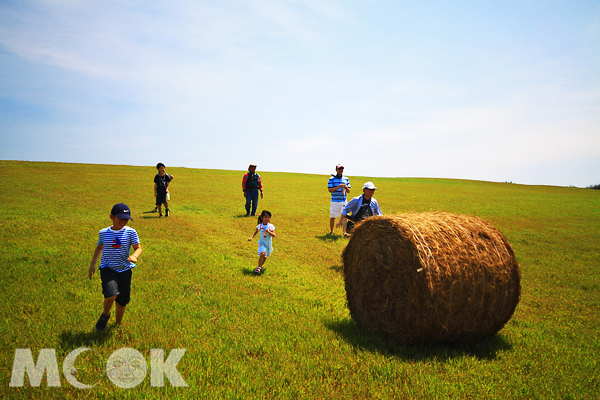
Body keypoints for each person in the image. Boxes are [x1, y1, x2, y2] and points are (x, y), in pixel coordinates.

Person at [88, 203, 143, 331]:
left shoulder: (131, 232)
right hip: (108, 269)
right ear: (112, 217)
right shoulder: (104, 233)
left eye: (126, 219)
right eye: (120, 219)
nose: (123, 222)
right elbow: (99, 247)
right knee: (111, 294)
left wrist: (135, 256)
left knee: (122, 301)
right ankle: (105, 314)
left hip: (125, 270)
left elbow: (138, 248)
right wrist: (92, 264)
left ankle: (118, 325)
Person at [247, 210, 276, 274]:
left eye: (269, 217)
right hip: (262, 243)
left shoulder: (270, 226)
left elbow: (274, 235)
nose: (267, 218)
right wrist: (251, 237)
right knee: (262, 253)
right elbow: (256, 231)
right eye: (265, 217)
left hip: (268, 244)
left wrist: (269, 231)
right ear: (262, 218)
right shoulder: (260, 226)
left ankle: (260, 266)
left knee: (265, 257)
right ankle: (258, 267)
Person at [327, 164, 351, 236]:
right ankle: (332, 231)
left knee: (345, 216)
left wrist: (346, 187)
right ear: (336, 170)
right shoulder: (331, 179)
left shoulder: (346, 179)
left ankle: (344, 232)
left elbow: (349, 191)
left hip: (343, 200)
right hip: (335, 200)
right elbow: (330, 190)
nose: (341, 170)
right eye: (339, 169)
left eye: (342, 169)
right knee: (333, 216)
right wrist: (338, 187)